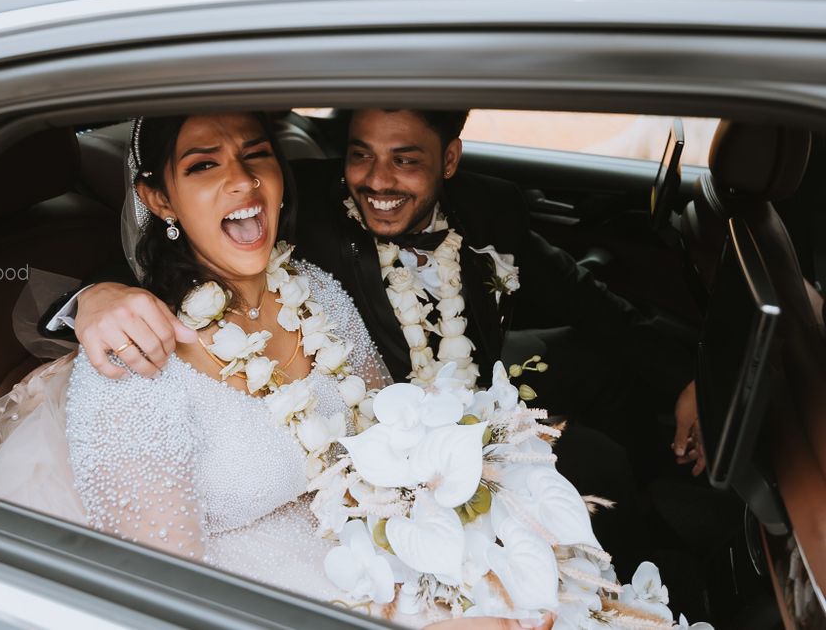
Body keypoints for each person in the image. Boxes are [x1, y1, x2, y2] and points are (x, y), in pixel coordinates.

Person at [0, 111, 552, 629]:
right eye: (204, 166)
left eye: (255, 155)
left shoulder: (316, 290)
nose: (242, 179)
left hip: (386, 560)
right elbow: (167, 602)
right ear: (159, 198)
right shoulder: (132, 366)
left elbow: (391, 441)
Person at [45, 109, 703, 577]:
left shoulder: (327, 277)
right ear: (159, 197)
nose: (378, 181)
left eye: (407, 158)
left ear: (449, 159)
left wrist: (690, 376)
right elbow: (164, 587)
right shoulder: (149, 341)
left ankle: (687, 553)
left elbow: (591, 303)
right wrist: (87, 298)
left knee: (591, 460)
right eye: (361, 154)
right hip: (289, 581)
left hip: (409, 482)